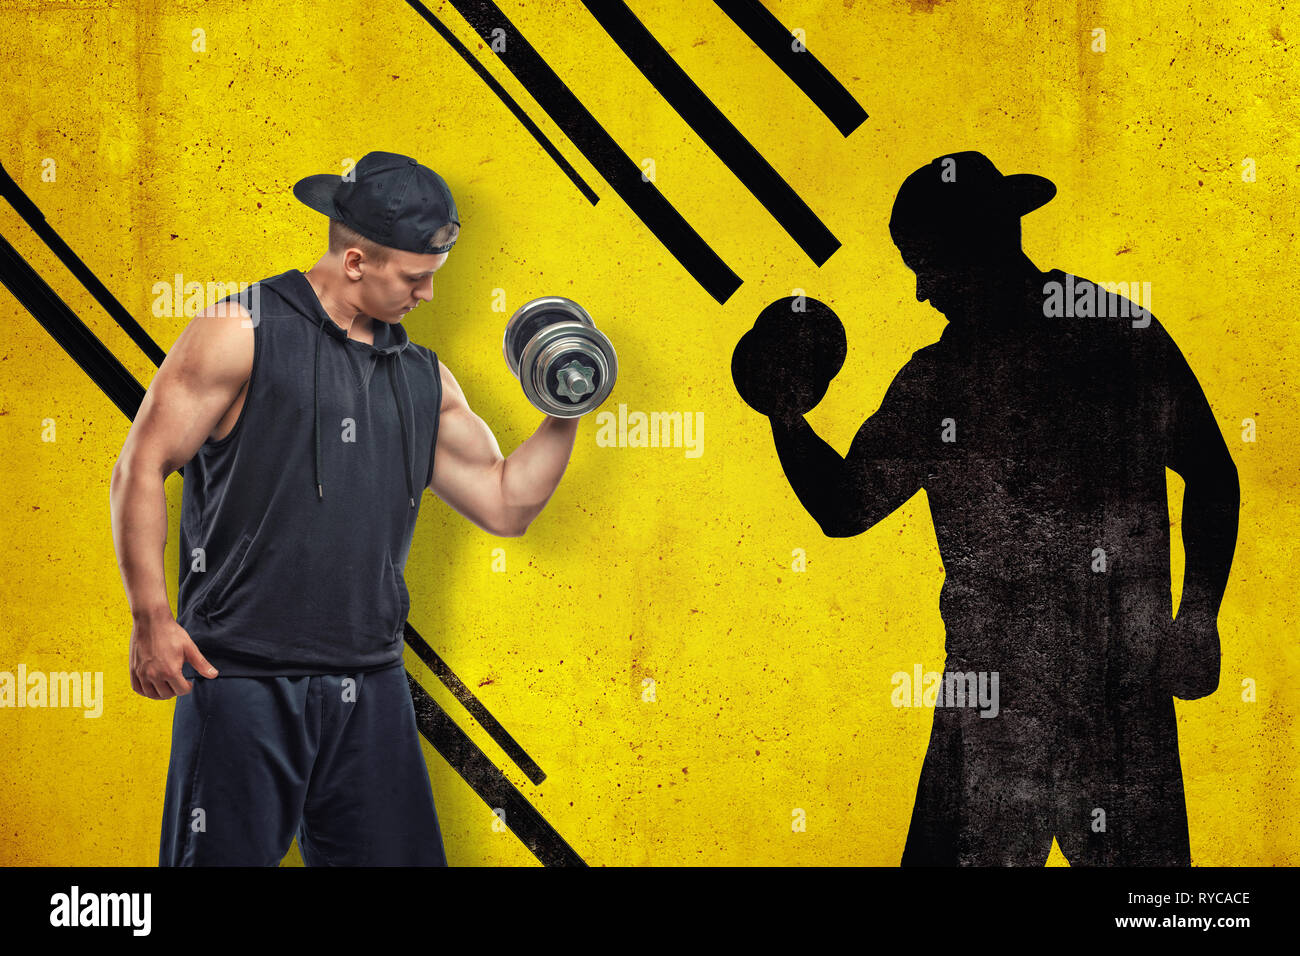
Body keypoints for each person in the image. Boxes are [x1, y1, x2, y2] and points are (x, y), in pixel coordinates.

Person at [745, 151, 1240, 865]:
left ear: (982, 247)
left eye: (928, 266)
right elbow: (846, 507)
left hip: (1114, 690)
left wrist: (1198, 615)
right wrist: (785, 416)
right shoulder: (938, 378)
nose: (920, 292)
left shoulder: (1109, 335)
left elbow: (1211, 471)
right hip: (991, 697)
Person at [109, 150, 580, 866]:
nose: (426, 297)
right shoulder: (242, 331)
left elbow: (506, 501)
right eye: (415, 279)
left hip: (370, 681)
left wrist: (565, 408)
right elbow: (141, 467)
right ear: (356, 261)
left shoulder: (423, 378)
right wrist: (152, 617)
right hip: (240, 679)